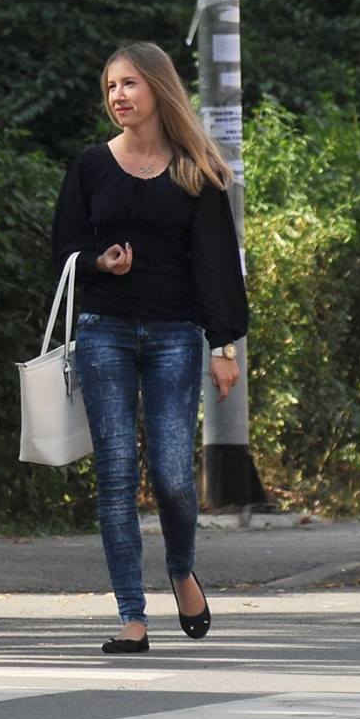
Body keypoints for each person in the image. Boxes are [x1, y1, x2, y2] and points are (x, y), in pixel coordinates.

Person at [52, 40, 247, 655]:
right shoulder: (90, 166)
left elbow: (217, 264)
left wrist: (224, 346)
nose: (118, 96)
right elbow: (63, 250)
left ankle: (181, 567)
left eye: (130, 83)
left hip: (174, 335)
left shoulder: (196, 169)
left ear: (158, 89)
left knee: (170, 475)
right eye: (111, 86)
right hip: (103, 330)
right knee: (115, 475)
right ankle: (131, 616)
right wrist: (98, 261)